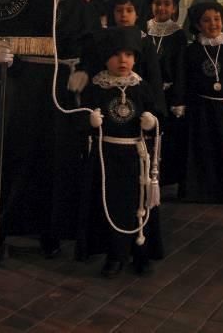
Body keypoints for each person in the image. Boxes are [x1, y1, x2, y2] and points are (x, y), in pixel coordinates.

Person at [0, 0, 100, 260]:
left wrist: (84, 71)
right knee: (20, 156)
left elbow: (92, 49)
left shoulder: (83, 8)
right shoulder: (25, 4)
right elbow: (10, 43)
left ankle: (53, 230)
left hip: (64, 91)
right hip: (29, 90)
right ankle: (2, 227)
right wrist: (5, 57)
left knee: (59, 161)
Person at [77, 27, 164, 277]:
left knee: (139, 205)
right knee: (110, 206)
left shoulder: (142, 87)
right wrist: (89, 121)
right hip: (106, 159)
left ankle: (141, 253)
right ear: (106, 58)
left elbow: (159, 116)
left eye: (128, 54)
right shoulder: (96, 88)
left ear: (136, 58)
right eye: (116, 55)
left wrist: (152, 121)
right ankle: (114, 255)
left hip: (136, 159)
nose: (123, 60)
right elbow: (79, 122)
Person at [178, 2, 223, 203]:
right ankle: (200, 191)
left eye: (217, 19)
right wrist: (180, 102)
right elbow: (183, 79)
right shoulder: (191, 51)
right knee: (201, 150)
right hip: (199, 110)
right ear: (198, 25)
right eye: (206, 20)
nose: (213, 24)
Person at [146, 0, 187, 186]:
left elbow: (181, 69)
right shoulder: (144, 30)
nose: (161, 8)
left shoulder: (178, 34)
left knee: (168, 137)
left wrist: (179, 99)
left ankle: (166, 177)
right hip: (146, 92)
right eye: (157, 3)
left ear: (174, 8)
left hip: (168, 94)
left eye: (166, 4)